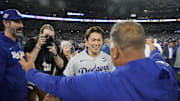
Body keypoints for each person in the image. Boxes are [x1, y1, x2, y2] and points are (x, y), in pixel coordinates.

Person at [19, 21, 177, 101]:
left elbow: (59, 85)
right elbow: (157, 59)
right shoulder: (165, 72)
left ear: (114, 52)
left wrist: (31, 72)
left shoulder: (105, 82)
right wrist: (154, 50)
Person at [24, 24, 64, 101]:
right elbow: (28, 61)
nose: (49, 39)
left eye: (51, 37)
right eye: (46, 36)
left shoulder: (54, 45)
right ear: (40, 34)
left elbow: (60, 65)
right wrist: (38, 46)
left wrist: (55, 54)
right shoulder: (32, 43)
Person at [0, 9, 27, 101]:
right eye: (16, 22)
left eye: (21, 22)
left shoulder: (17, 43)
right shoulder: (1, 45)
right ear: (5, 23)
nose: (21, 25)